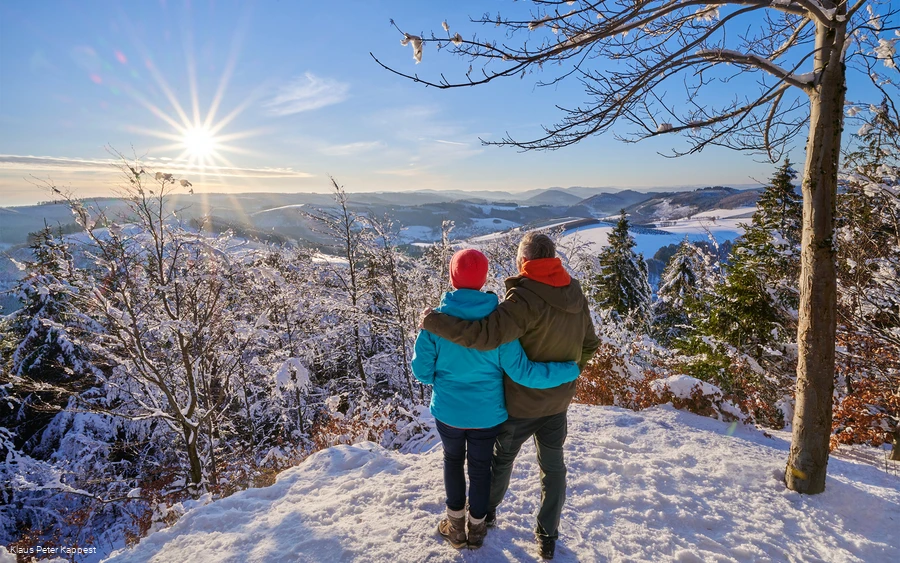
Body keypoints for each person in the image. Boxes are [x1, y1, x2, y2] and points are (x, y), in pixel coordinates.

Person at [421, 233, 600, 560]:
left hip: (520, 403)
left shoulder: (522, 299)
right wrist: (569, 372)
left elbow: (483, 336)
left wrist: (434, 323)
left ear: (525, 261)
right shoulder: (575, 292)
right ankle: (548, 535)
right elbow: (589, 343)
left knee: (500, 461)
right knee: (554, 468)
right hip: (557, 402)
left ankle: (484, 516)